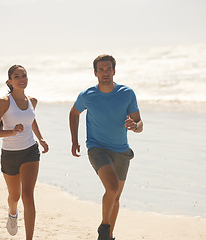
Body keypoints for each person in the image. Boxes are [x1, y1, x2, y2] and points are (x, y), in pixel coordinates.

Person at [69, 54, 143, 240]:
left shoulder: (127, 93)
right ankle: (104, 228)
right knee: (112, 188)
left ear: (114, 71)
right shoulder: (88, 96)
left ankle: (108, 236)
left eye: (108, 69)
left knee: (116, 196)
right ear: (95, 73)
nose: (105, 73)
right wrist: (74, 140)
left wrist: (135, 127)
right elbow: (73, 113)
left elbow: (139, 123)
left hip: (122, 151)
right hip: (97, 148)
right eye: (101, 70)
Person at [0, 65, 49, 240]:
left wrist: (41, 138)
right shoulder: (3, 102)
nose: (21, 78)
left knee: (28, 196)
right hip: (9, 155)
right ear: (10, 81)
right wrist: (12, 132)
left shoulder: (33, 101)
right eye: (17, 76)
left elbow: (31, 120)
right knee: (14, 196)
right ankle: (12, 213)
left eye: (24, 75)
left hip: (30, 152)